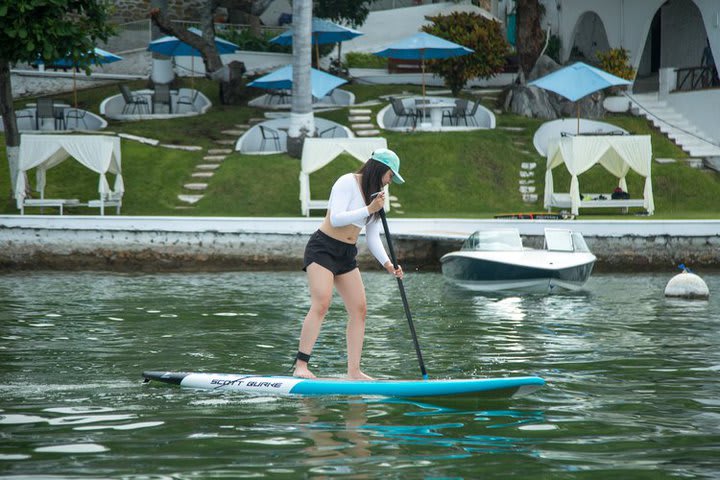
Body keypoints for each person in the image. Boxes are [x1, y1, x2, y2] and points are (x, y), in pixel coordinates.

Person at [294, 148, 405, 380]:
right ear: (379, 169)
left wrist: (388, 264)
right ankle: (301, 366)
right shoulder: (347, 182)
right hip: (323, 248)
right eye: (390, 175)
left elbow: (373, 237)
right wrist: (369, 209)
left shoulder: (376, 197)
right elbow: (335, 218)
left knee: (360, 310)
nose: (390, 181)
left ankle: (354, 372)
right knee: (322, 304)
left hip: (346, 254)